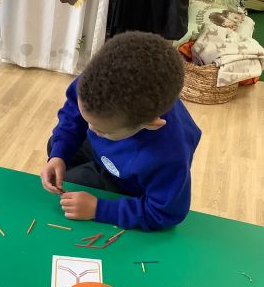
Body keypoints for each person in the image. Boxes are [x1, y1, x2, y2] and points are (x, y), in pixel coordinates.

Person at [41, 32, 201, 231]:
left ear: (151, 125)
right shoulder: (96, 82)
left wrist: (99, 209)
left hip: (128, 182)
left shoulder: (168, 157)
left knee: (74, 183)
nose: (90, 129)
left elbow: (165, 213)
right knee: (56, 145)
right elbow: (73, 112)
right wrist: (59, 154)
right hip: (112, 155)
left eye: (102, 130)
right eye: (87, 119)